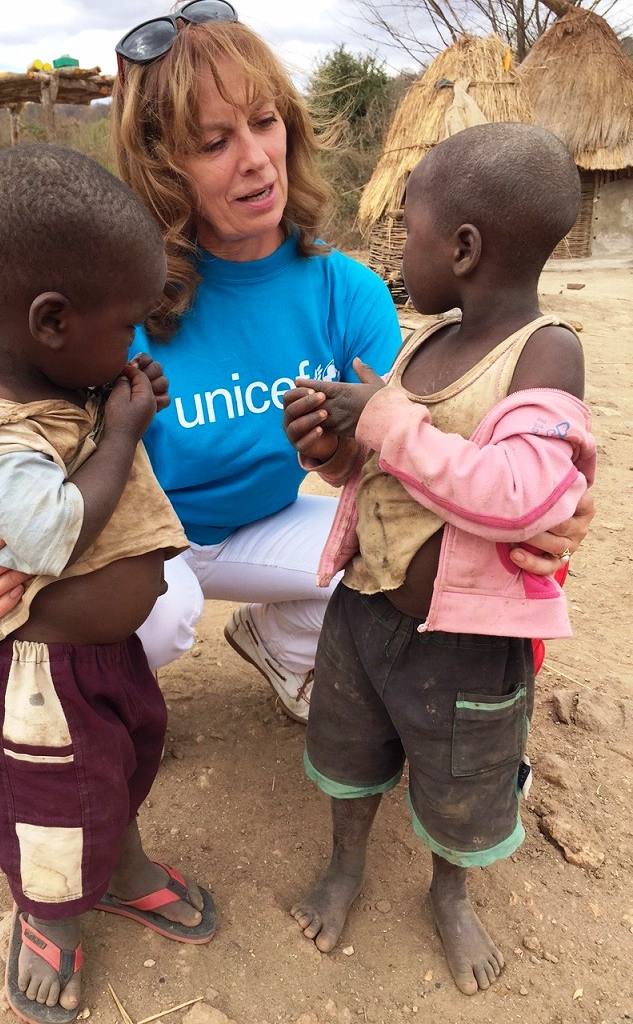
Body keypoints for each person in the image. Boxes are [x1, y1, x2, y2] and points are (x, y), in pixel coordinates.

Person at [0, 3, 594, 727]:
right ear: (162, 165)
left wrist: (555, 495)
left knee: (400, 555)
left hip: (266, 524)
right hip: (139, 538)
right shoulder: (114, 292)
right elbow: (0, 419)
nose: (255, 158)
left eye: (265, 121)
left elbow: (434, 444)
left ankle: (281, 643)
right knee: (158, 615)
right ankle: (103, 716)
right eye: (214, 141)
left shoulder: (347, 293)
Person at [281, 123, 596, 995]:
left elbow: (523, 492)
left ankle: (449, 894)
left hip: (467, 644)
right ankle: (347, 865)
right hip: (365, 609)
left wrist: (388, 421)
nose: (396, 245)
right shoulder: (423, 343)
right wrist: (332, 449)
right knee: (348, 752)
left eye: (406, 229)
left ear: (462, 248)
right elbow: (388, 469)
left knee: (465, 779)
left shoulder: (546, 352)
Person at [0, 144, 216, 1024]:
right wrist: (121, 431)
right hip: (40, 680)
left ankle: (122, 871)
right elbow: (52, 528)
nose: (133, 344)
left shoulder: (54, 373)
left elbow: (86, 443)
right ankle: (49, 920)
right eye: (126, 328)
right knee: (52, 807)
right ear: (51, 320)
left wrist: (123, 403)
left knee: (119, 766)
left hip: (102, 657)